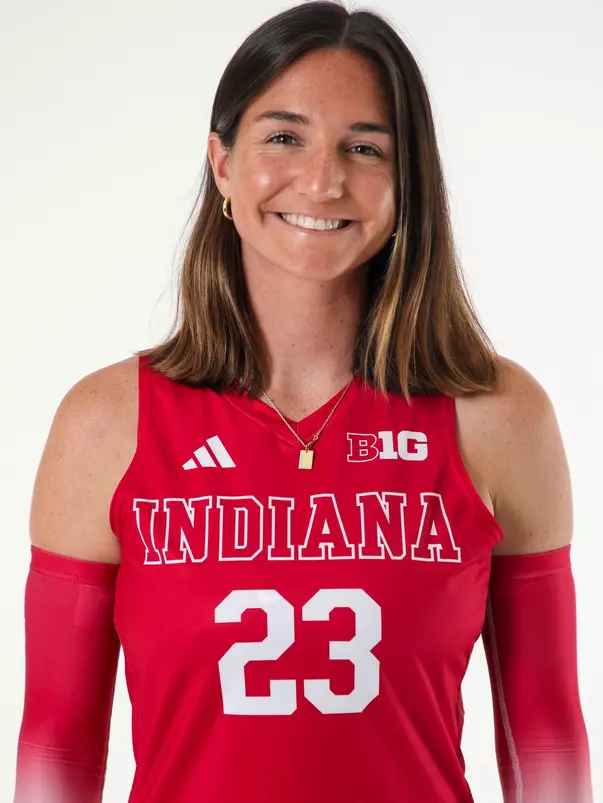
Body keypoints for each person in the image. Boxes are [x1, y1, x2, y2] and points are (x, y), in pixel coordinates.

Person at [13, 2, 593, 802]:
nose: (322, 179)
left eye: (364, 147)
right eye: (284, 136)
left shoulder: (496, 416)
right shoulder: (105, 424)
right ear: (221, 163)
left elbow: (545, 734)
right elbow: (58, 744)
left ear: (406, 182)